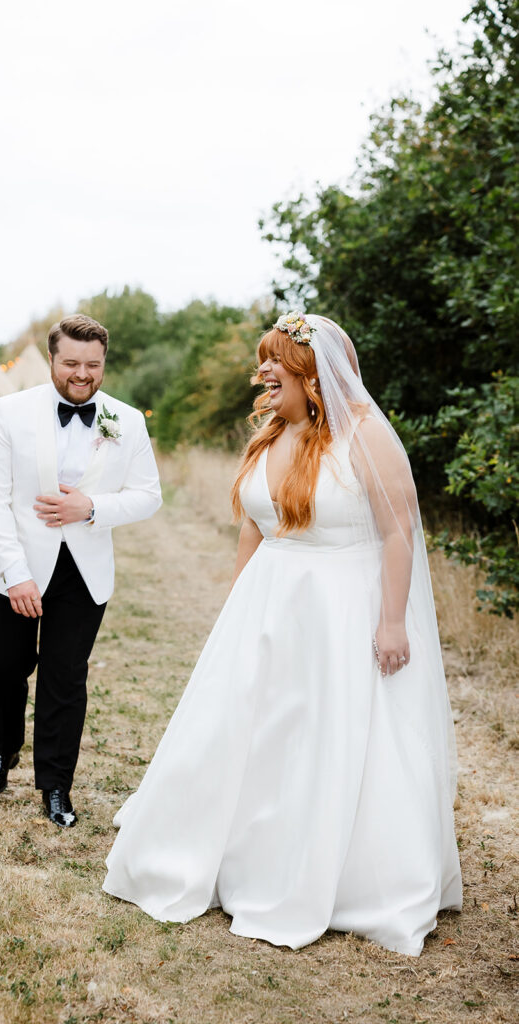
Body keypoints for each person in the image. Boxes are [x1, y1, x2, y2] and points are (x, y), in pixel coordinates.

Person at [103, 312, 462, 956]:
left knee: (327, 734)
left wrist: (390, 620)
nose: (263, 373)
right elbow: (255, 527)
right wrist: (238, 609)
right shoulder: (273, 435)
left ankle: (337, 874)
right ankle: (234, 850)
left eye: (277, 363)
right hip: (268, 606)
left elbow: (398, 533)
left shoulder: (366, 440)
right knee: (249, 731)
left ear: (314, 375)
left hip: (341, 610)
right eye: (263, 360)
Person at [0, 314, 162, 828]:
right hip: (10, 564)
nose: (82, 374)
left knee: (65, 678)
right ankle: (3, 748)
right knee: (3, 666)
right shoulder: (9, 411)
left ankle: (56, 785)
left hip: (83, 570)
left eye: (92, 365)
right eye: (71, 363)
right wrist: (16, 574)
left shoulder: (128, 420)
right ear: (52, 359)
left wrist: (92, 507)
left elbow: (148, 496)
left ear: (104, 363)